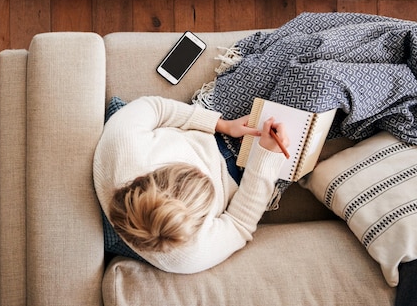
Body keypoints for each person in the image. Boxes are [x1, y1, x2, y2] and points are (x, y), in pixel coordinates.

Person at [93, 95, 289, 274]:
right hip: (246, 176)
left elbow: (155, 108)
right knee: (316, 80)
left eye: (191, 170)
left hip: (212, 125)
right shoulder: (190, 256)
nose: (204, 171)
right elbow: (239, 224)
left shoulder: (122, 145)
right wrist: (267, 156)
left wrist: (222, 125)